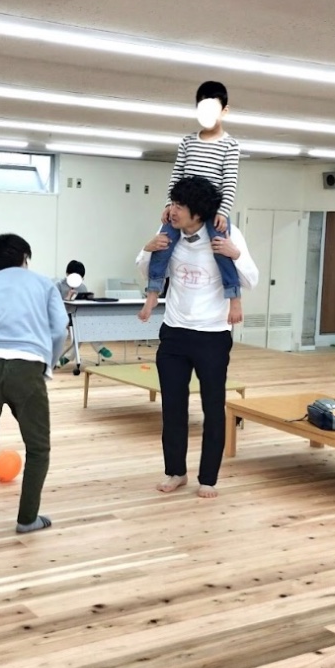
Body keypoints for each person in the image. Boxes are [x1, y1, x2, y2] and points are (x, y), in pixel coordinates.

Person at [136, 176, 259, 499]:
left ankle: (209, 478)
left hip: (212, 335)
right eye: (173, 203)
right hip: (174, 333)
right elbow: (148, 270)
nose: (173, 210)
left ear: (199, 213)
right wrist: (147, 249)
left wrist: (235, 254)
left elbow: (251, 279)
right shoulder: (169, 230)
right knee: (173, 408)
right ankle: (175, 471)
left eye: (181, 206)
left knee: (212, 408)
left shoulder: (226, 233)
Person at [0, 233, 68, 534]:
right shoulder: (44, 284)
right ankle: (27, 519)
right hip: (27, 367)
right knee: (38, 446)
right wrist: (48, 363)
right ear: (25, 257)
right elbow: (60, 329)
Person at [140, 81, 241, 325]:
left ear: (224, 111)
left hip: (211, 207)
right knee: (162, 245)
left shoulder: (230, 145)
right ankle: (153, 293)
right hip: (185, 205)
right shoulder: (187, 141)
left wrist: (223, 211)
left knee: (222, 250)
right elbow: (177, 174)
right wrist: (170, 204)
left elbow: (229, 180)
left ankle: (235, 298)